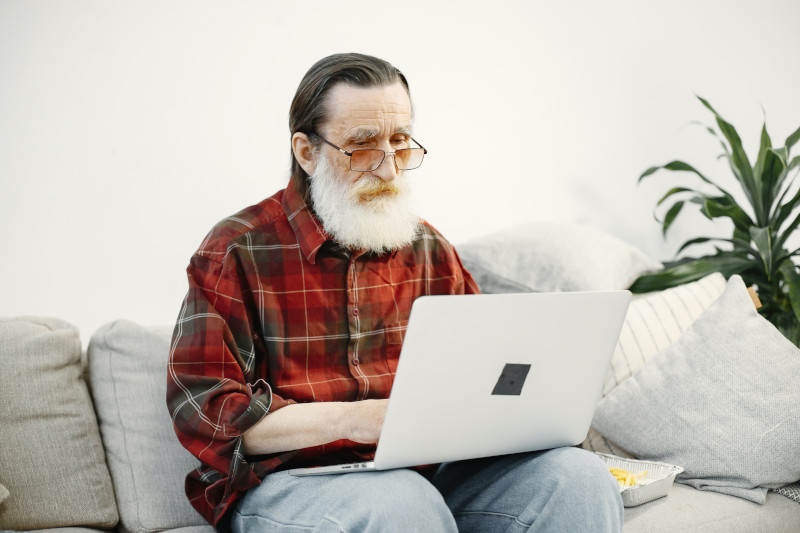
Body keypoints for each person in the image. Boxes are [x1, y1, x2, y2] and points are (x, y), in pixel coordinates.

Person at [167, 52, 623, 533]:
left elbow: (482, 374)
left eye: (400, 142)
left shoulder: (428, 248)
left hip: (427, 474)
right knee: (400, 503)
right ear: (306, 151)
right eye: (363, 146)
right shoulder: (235, 250)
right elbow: (205, 413)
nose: (389, 169)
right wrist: (355, 420)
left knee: (578, 477)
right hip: (290, 481)